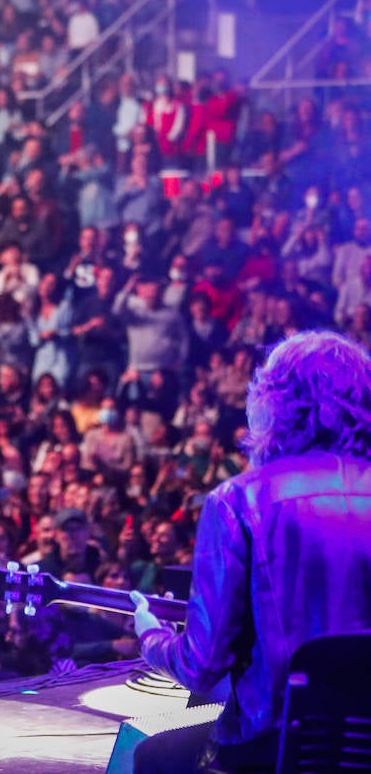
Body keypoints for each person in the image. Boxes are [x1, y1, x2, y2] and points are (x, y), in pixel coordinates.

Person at [130, 331, 371, 773]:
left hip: (275, 749)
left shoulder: (240, 500)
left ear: (272, 402)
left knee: (151, 757)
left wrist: (151, 637)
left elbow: (201, 666)